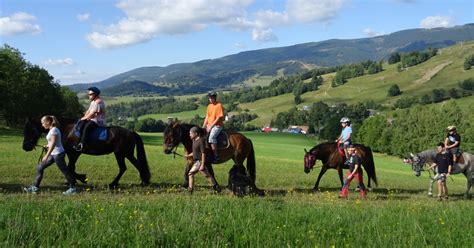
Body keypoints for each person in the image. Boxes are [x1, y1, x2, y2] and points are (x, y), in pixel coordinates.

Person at [24, 115, 77, 195]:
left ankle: (73, 188)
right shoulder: (52, 130)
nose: (42, 125)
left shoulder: (54, 130)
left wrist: (46, 155)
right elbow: (52, 143)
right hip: (54, 153)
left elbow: (53, 144)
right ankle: (35, 188)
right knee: (40, 167)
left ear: (48, 122)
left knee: (65, 171)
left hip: (58, 154)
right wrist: (47, 145)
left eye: (43, 123)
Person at [185, 127, 219, 194]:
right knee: (205, 175)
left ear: (196, 133)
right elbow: (195, 152)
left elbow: (203, 153)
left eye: (191, 133)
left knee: (204, 175)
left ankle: (190, 190)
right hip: (197, 162)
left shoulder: (200, 141)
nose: (190, 135)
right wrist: (189, 155)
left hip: (200, 162)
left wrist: (202, 165)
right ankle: (216, 188)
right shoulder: (194, 141)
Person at [74, 87, 106, 151]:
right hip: (92, 119)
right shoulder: (93, 102)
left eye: (90, 94)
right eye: (88, 94)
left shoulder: (98, 102)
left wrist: (84, 118)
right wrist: (83, 118)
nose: (89, 96)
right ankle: (78, 141)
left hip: (98, 120)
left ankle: (82, 144)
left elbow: (93, 113)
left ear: (95, 94)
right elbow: (88, 111)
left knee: (86, 127)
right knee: (81, 124)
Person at [202, 91, 224, 162]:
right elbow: (207, 117)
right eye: (210, 98)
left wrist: (211, 126)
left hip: (217, 126)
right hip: (209, 125)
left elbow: (219, 118)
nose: (211, 99)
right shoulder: (209, 106)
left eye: (212, 98)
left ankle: (216, 156)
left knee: (211, 138)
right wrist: (203, 127)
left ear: (215, 98)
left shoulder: (219, 105)